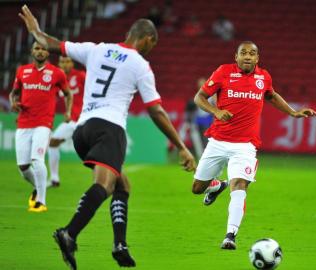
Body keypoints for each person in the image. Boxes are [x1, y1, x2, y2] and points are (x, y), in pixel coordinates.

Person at [19, 5, 195, 269]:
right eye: (152, 45)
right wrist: (181, 146)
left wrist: (35, 30)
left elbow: (51, 44)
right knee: (104, 185)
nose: (151, 49)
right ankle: (69, 232)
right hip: (109, 128)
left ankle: (120, 245)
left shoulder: (96, 49)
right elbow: (156, 110)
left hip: (83, 131)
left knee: (122, 185)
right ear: (148, 39)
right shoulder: (141, 65)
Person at [191, 41, 316, 249]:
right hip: (218, 141)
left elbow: (271, 96)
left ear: (257, 58)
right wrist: (216, 111)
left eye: (252, 53)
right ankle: (216, 185)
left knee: (239, 185)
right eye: (243, 53)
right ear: (236, 56)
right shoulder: (223, 72)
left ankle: (230, 235)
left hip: (245, 145)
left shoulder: (264, 77)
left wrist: (293, 112)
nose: (247, 56)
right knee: (197, 188)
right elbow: (199, 97)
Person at [9, 41, 72, 213]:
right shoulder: (22, 71)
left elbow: (68, 94)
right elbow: (14, 93)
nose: (40, 51)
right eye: (37, 48)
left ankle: (41, 201)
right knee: (23, 167)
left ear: (48, 53)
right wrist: (13, 103)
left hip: (43, 123)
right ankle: (38, 187)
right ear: (31, 51)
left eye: (44, 49)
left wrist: (67, 112)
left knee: (37, 160)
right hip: (23, 123)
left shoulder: (57, 73)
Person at [48, 56, 86, 187]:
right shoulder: (58, 80)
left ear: (72, 63)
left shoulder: (81, 76)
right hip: (72, 120)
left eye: (67, 61)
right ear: (58, 63)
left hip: (84, 119)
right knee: (53, 143)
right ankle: (54, 178)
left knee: (94, 151)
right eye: (62, 62)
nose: (65, 64)